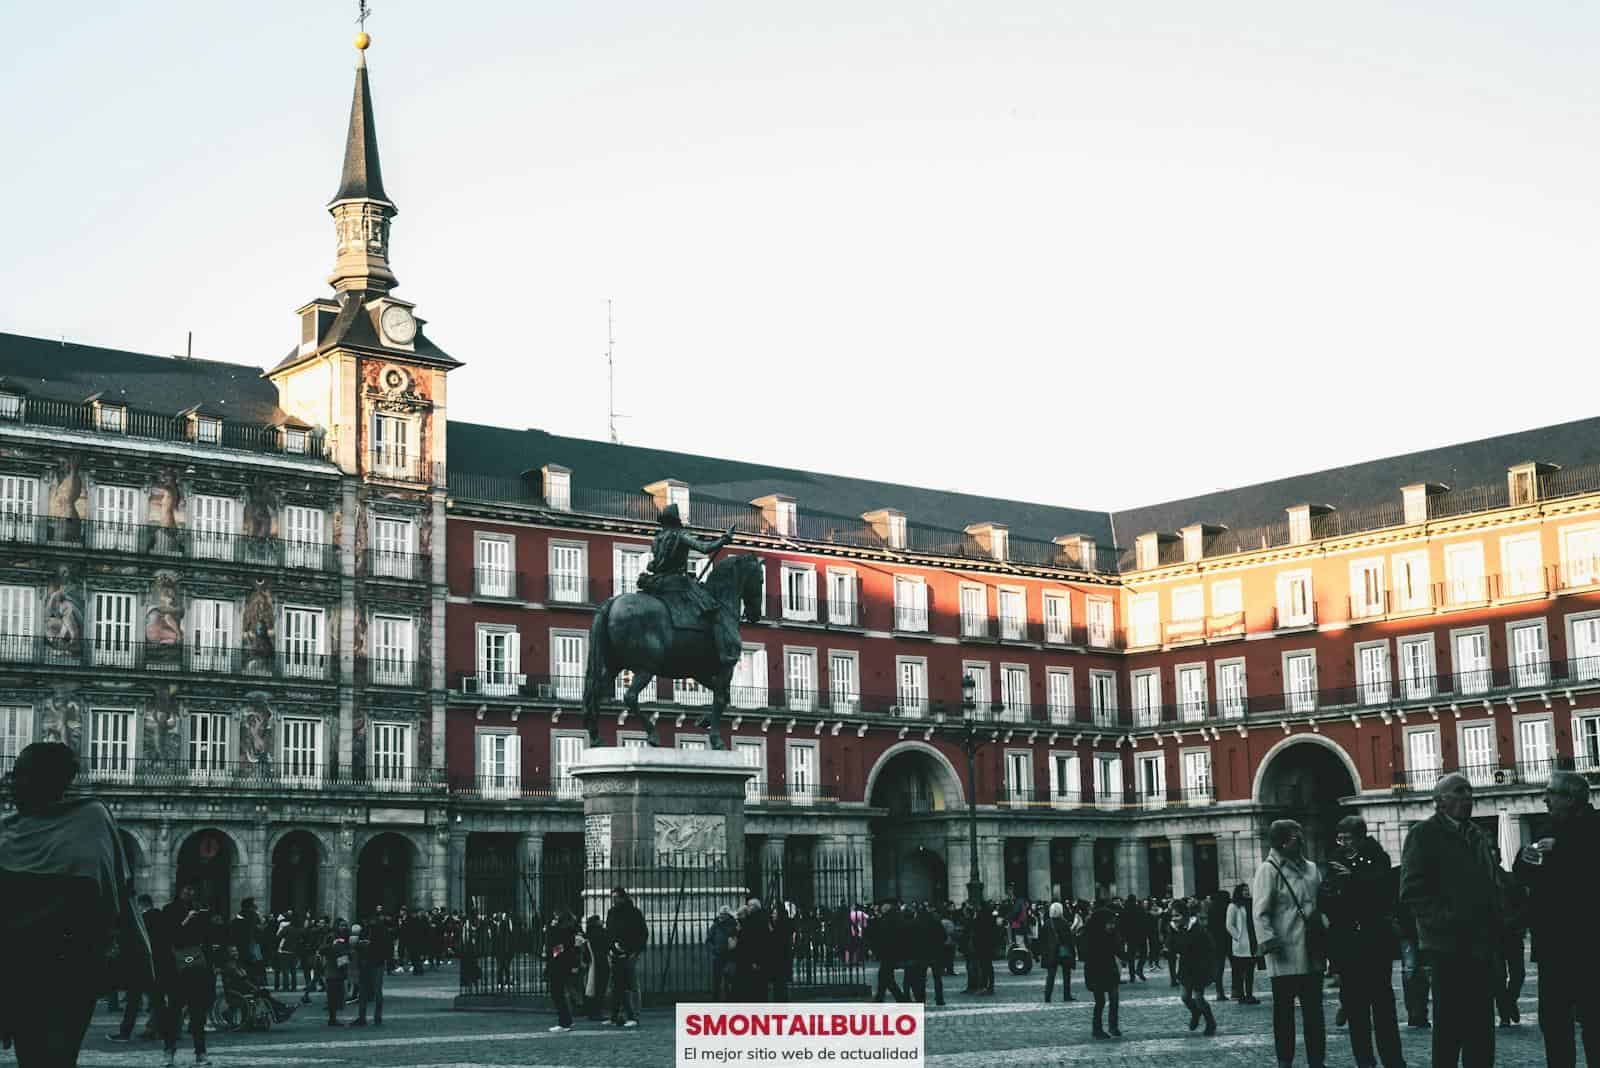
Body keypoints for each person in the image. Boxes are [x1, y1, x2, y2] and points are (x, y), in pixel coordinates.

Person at [0, 741, 140, 1068]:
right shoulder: (6, 829)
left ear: (49, 780)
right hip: (18, 972)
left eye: (21, 775)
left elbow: (102, 897)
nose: (10, 781)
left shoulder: (90, 821)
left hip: (68, 972)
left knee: (54, 1059)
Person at [1400, 771, 1501, 1068]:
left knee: (1482, 1026)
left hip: (1482, 942)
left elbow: (1490, 882)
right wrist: (1446, 919)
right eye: (1459, 792)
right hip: (1448, 945)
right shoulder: (1424, 835)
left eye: (1469, 792)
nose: (1468, 797)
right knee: (1449, 1025)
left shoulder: (1477, 835)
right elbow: (1412, 890)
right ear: (1440, 802)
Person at [1513, 768, 1600, 1068]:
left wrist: (1561, 851)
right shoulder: (1545, 827)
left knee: (1594, 1019)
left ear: (1571, 798)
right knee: (1553, 1021)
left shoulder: (1595, 825)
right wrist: (1523, 859)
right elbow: (1523, 873)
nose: (1545, 799)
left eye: (1551, 793)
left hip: (1590, 942)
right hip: (1551, 943)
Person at [1323, 814, 1404, 1068]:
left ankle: (1392, 1060)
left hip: (1375, 940)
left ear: (1360, 836)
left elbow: (1382, 893)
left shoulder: (1378, 856)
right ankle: (1364, 1062)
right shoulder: (1335, 858)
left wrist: (1353, 881)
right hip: (1347, 942)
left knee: (1383, 1006)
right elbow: (1330, 897)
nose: (1343, 843)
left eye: (1347, 838)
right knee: (1356, 1009)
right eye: (1340, 838)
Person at [1253, 818, 1327, 1068]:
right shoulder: (1269, 870)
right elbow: (1260, 912)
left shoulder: (1311, 869)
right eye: (1297, 837)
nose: (1302, 841)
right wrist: (1269, 942)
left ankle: (1317, 1061)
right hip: (1284, 953)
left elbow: (1321, 905)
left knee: (1314, 1014)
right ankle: (1285, 1061)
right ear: (1283, 842)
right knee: (1284, 1014)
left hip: (1311, 950)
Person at [637, 506, 740, 665]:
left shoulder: (657, 539)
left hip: (657, 583)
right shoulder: (681, 536)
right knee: (714, 610)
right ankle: (723, 654)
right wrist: (724, 539)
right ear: (676, 521)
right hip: (677, 583)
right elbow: (705, 548)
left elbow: (655, 563)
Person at [159, 883, 218, 1067]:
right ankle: (168, 1051)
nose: (189, 892)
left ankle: (200, 1052)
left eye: (192, 889)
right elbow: (168, 936)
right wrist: (186, 920)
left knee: (198, 1012)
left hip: (197, 966)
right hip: (176, 968)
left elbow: (208, 938)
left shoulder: (200, 910)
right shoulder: (169, 910)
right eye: (186, 889)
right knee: (174, 1011)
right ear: (179, 890)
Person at [1491, 850, 1526, 1029]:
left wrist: (1519, 924)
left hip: (1512, 932)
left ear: (1499, 858)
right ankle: (1505, 1014)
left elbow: (1523, 904)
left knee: (1518, 973)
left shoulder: (1510, 879)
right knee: (1498, 977)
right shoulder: (1477, 883)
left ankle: (1509, 1001)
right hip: (1492, 935)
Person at [1174, 899, 1217, 1036]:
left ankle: (1210, 1022)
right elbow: (1175, 947)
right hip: (1185, 968)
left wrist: (1209, 968)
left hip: (1199, 969)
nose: (1174, 919)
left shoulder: (1197, 929)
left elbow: (1210, 948)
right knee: (1185, 997)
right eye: (1173, 916)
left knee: (1199, 998)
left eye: (1177, 915)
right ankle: (1196, 1013)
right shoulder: (1177, 929)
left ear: (1185, 915)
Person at [605, 886, 647, 1027]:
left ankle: (634, 1015)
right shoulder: (611, 913)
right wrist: (610, 948)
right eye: (612, 898)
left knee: (631, 984)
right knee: (616, 985)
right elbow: (609, 932)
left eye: (616, 897)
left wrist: (634, 951)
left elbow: (642, 934)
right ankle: (615, 1015)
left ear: (623, 898)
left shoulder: (634, 913)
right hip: (615, 953)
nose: (613, 900)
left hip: (630, 953)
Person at [1080, 903, 1121, 1039]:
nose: (1112, 926)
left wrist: (1124, 956)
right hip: (1096, 972)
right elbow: (1085, 955)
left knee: (1114, 999)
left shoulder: (1111, 934)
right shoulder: (1090, 936)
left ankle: (1113, 1026)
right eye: (1109, 924)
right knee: (1100, 1001)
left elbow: (1117, 949)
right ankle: (1097, 1029)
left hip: (1110, 970)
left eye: (1113, 923)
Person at [545, 909, 581, 1032]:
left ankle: (564, 1021)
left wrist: (552, 953)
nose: (553, 919)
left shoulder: (563, 931)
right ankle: (567, 1019)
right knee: (560, 993)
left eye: (555, 917)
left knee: (557, 994)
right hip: (562, 964)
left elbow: (559, 947)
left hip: (559, 965)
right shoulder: (568, 929)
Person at [353, 911, 391, 1026]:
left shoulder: (378, 931)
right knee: (369, 991)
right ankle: (369, 1017)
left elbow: (386, 948)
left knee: (372, 991)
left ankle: (370, 1017)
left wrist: (368, 945)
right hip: (370, 963)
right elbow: (357, 945)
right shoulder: (370, 930)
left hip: (373, 963)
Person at [1225, 883, 1259, 1005]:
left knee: (1250, 971)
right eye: (1244, 890)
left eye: (1248, 889)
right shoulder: (1233, 906)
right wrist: (1237, 937)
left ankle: (1249, 994)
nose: (1247, 892)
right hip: (1241, 943)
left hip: (1252, 941)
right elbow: (1229, 924)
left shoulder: (1251, 904)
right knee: (1240, 972)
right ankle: (1241, 995)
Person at [868, 900, 906, 1003]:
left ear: (887, 907)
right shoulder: (894, 917)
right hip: (891, 951)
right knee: (885, 976)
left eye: (883, 905)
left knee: (885, 976)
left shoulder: (887, 919)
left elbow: (882, 935)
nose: (881, 907)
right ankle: (881, 997)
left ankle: (899, 999)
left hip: (889, 951)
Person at [1040, 901, 1076, 1003]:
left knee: (1050, 975)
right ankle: (1067, 995)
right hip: (1063, 952)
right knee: (1066, 975)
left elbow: (1042, 939)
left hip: (1051, 952)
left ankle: (1047, 996)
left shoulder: (1047, 923)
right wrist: (1072, 952)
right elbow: (1069, 940)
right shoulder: (1064, 923)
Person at [322, 918, 354, 1026]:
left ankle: (333, 1018)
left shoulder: (347, 937)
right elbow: (322, 949)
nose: (344, 927)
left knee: (338, 996)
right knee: (332, 996)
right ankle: (332, 1019)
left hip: (341, 969)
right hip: (332, 969)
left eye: (345, 925)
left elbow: (348, 952)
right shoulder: (331, 936)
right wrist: (333, 945)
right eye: (341, 925)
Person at [706, 905, 737, 1001]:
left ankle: (729, 1000)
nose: (721, 916)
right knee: (716, 981)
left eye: (724, 914)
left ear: (728, 915)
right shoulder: (715, 926)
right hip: (718, 956)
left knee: (729, 981)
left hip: (729, 957)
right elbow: (708, 940)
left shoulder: (733, 925)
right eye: (721, 914)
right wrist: (714, 949)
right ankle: (716, 1000)